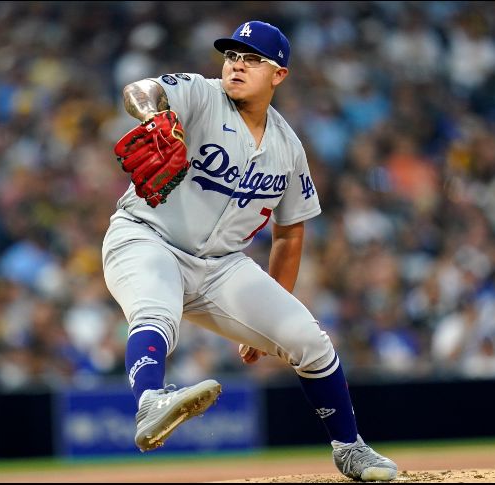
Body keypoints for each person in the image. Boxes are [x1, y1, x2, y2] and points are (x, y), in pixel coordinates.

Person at [102, 20, 397, 481]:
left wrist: (261, 324)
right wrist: (154, 117)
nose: (237, 65)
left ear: (279, 74)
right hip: (146, 237)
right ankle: (148, 403)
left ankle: (350, 448)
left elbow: (289, 233)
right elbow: (140, 90)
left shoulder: (288, 147)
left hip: (220, 267)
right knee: (156, 312)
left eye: (252, 58)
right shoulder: (201, 94)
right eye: (232, 56)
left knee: (308, 340)